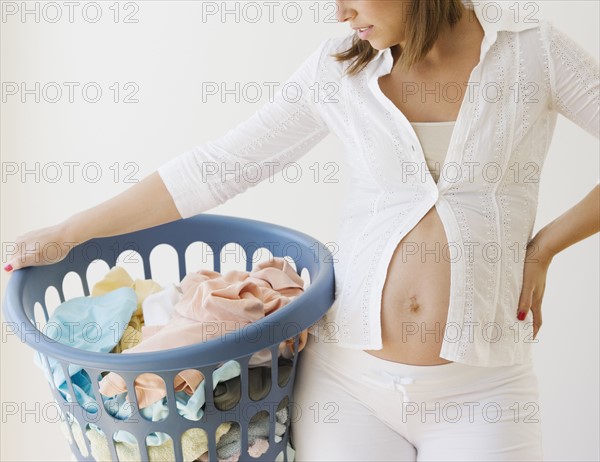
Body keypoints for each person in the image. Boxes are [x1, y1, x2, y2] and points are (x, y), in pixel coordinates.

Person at [3, 0, 598, 460]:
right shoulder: (339, 68)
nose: (338, 12)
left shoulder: (531, 52)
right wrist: (69, 233)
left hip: (484, 392)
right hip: (349, 388)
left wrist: (545, 247)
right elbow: (217, 168)